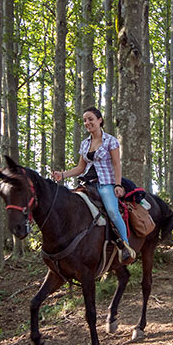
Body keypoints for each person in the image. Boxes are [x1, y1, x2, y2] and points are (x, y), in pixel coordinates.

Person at [53, 107, 136, 265]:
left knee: (111, 210)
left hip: (105, 183)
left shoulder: (110, 141)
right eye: (84, 120)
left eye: (90, 119)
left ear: (100, 120)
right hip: (87, 183)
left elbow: (117, 164)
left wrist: (117, 185)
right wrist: (62, 175)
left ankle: (126, 246)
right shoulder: (84, 144)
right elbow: (80, 168)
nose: (87, 123)